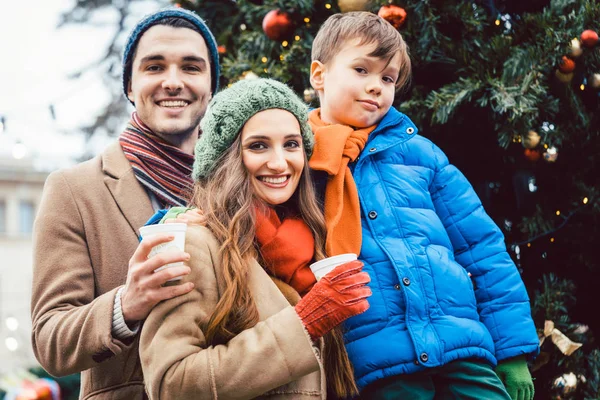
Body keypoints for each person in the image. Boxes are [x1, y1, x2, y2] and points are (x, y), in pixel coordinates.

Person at [306, 11, 539, 400]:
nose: (376, 87)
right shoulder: (300, 162)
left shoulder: (421, 156)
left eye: (387, 78)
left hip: (460, 345)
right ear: (319, 75)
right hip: (378, 362)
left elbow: (481, 247)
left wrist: (512, 350)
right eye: (361, 70)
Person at [139, 78, 372, 400]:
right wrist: (304, 323)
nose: (279, 163)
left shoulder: (316, 241)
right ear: (226, 159)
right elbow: (171, 384)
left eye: (291, 144)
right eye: (258, 145)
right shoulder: (196, 243)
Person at [30, 8, 219, 399]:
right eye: (154, 67)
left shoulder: (238, 182)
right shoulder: (75, 189)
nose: (173, 82)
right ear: (130, 87)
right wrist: (125, 305)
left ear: (210, 85)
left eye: (191, 67)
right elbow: (50, 339)